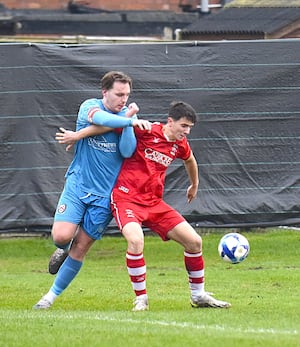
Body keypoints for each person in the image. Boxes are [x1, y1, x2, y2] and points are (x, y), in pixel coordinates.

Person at [60, 101, 231, 311]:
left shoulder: (180, 144)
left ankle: (198, 295)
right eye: (184, 126)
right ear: (170, 121)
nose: (186, 132)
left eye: (189, 128)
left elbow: (190, 160)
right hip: (126, 199)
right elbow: (110, 126)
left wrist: (194, 185)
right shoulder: (147, 129)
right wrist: (78, 136)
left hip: (154, 203)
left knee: (194, 242)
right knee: (136, 241)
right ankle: (141, 299)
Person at [33, 71, 152, 309]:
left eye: (127, 95)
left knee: (82, 246)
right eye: (119, 94)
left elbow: (127, 152)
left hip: (106, 197)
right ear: (104, 92)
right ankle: (61, 249)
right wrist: (128, 120)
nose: (123, 99)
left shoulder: (126, 117)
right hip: (78, 186)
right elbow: (102, 120)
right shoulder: (89, 106)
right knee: (61, 236)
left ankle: (49, 298)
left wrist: (128, 122)